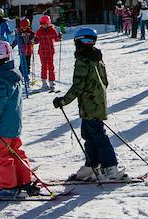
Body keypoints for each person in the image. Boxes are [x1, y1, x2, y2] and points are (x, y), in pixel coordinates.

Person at [53, 27, 129, 182]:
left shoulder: (83, 60)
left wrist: (63, 101)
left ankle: (110, 168)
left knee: (98, 136)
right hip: (97, 103)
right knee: (89, 136)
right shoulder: (97, 58)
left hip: (90, 105)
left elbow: (78, 86)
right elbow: (105, 82)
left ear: (78, 43)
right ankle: (91, 166)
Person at [0, 40, 39, 199]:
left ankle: (7, 186)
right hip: (15, 122)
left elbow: (0, 100)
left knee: (2, 154)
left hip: (3, 124)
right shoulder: (13, 73)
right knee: (16, 151)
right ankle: (24, 179)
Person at [34, 15, 61, 92]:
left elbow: (56, 39)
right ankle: (44, 83)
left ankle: (52, 83)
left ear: (48, 23)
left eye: (44, 23)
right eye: (41, 23)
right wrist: (33, 39)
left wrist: (59, 36)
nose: (43, 25)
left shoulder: (52, 30)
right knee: (44, 67)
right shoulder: (39, 31)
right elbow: (36, 40)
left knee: (50, 66)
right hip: (42, 51)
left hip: (49, 51)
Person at [15, 18, 35, 83]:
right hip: (22, 51)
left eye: (25, 27)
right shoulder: (19, 33)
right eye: (23, 27)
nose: (24, 29)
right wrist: (11, 46)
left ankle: (27, 76)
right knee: (22, 64)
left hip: (29, 51)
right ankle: (20, 76)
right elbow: (16, 40)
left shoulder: (30, 32)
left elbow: (34, 37)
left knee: (28, 64)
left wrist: (32, 38)